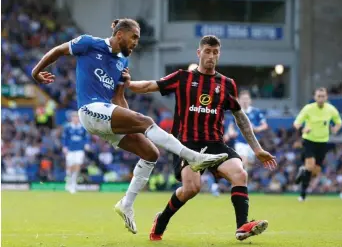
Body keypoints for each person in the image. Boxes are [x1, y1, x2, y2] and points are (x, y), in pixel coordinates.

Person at [30, 19, 228, 234]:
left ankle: (126, 204)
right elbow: (58, 50)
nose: (136, 43)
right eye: (134, 37)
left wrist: (125, 92)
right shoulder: (89, 43)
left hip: (105, 114)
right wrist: (36, 72)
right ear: (120, 35)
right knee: (147, 122)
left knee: (151, 153)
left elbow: (118, 103)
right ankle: (193, 157)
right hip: (89, 110)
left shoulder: (122, 63)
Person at [127, 35, 277, 241]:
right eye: (207, 51)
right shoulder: (182, 78)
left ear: (219, 55)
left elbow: (240, 117)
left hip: (215, 144)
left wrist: (257, 149)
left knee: (240, 175)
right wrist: (128, 83)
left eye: (215, 52)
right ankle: (161, 221)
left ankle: (242, 226)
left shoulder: (227, 84)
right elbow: (147, 86)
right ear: (199, 53)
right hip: (186, 144)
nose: (211, 56)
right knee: (191, 188)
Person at [293, 87, 342, 201]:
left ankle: (302, 170)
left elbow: (339, 122)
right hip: (309, 140)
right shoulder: (308, 109)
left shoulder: (331, 109)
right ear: (315, 97)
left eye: (323, 96)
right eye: (319, 96)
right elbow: (296, 123)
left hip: (323, 142)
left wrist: (335, 128)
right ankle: (302, 194)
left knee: (315, 172)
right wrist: (303, 129)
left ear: (326, 97)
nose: (321, 98)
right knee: (310, 166)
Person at [227, 90, 268, 169]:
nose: (245, 101)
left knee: (249, 165)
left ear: (250, 100)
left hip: (253, 143)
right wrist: (231, 132)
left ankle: (245, 179)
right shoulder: (236, 112)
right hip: (240, 142)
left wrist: (256, 129)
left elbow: (265, 125)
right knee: (243, 161)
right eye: (243, 99)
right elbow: (231, 125)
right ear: (238, 100)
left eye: (246, 99)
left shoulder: (256, 112)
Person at [62, 111, 90, 194]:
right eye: (74, 117)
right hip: (70, 150)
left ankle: (74, 184)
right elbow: (64, 138)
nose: (75, 119)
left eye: (77, 117)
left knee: (77, 165)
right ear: (71, 118)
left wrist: (86, 144)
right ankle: (69, 182)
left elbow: (86, 138)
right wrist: (64, 147)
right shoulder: (67, 127)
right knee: (70, 167)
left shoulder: (82, 127)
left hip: (79, 150)